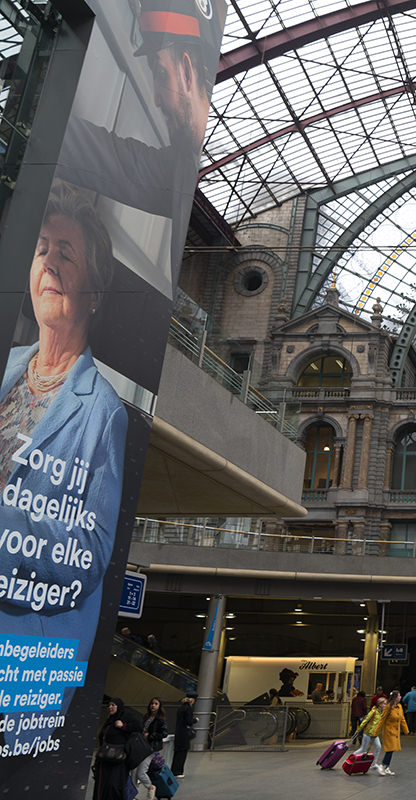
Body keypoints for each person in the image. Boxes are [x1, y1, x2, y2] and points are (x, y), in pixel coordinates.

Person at [0, 182, 127, 744]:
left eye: (66, 253)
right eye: (42, 248)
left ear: (94, 293)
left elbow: (92, 552)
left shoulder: (103, 412)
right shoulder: (6, 365)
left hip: (22, 655)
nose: (48, 261)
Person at [58, 0, 226, 264]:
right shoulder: (177, 169)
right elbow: (100, 155)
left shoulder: (183, 171)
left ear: (186, 70)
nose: (157, 99)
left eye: (160, 74)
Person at [93, 698, 144, 800]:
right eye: (109, 705)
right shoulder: (109, 720)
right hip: (105, 759)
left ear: (119, 706)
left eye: (113, 705)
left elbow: (138, 727)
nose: (110, 707)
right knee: (102, 785)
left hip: (118, 760)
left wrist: (123, 726)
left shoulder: (125, 717)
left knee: (114, 785)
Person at [132, 697, 168, 800]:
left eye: (156, 704)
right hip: (141, 746)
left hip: (150, 748)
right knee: (134, 771)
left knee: (141, 772)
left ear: (159, 706)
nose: (153, 705)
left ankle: (150, 787)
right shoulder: (146, 717)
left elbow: (164, 733)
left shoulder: (160, 719)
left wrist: (151, 735)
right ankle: (132, 795)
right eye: (152, 703)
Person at [352, 695, 388, 774]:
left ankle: (373, 764)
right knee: (363, 749)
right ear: (380, 704)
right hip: (368, 733)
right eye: (384, 704)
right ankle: (351, 758)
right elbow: (365, 721)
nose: (385, 705)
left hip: (375, 734)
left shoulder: (382, 713)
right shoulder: (373, 712)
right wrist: (358, 730)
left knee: (378, 747)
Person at [378, 691, 410, 776]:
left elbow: (402, 719)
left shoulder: (399, 707)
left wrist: (406, 730)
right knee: (390, 750)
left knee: (392, 750)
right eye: (399, 696)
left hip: (396, 732)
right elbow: (382, 720)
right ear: (395, 698)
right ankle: (382, 765)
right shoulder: (387, 708)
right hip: (389, 732)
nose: (400, 697)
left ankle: (386, 767)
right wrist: (376, 732)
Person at [171, 691, 197, 778]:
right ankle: (178, 771)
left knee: (177, 752)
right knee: (183, 752)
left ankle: (174, 770)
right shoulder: (188, 708)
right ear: (193, 700)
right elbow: (189, 721)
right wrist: (195, 720)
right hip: (184, 733)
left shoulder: (181, 707)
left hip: (178, 732)